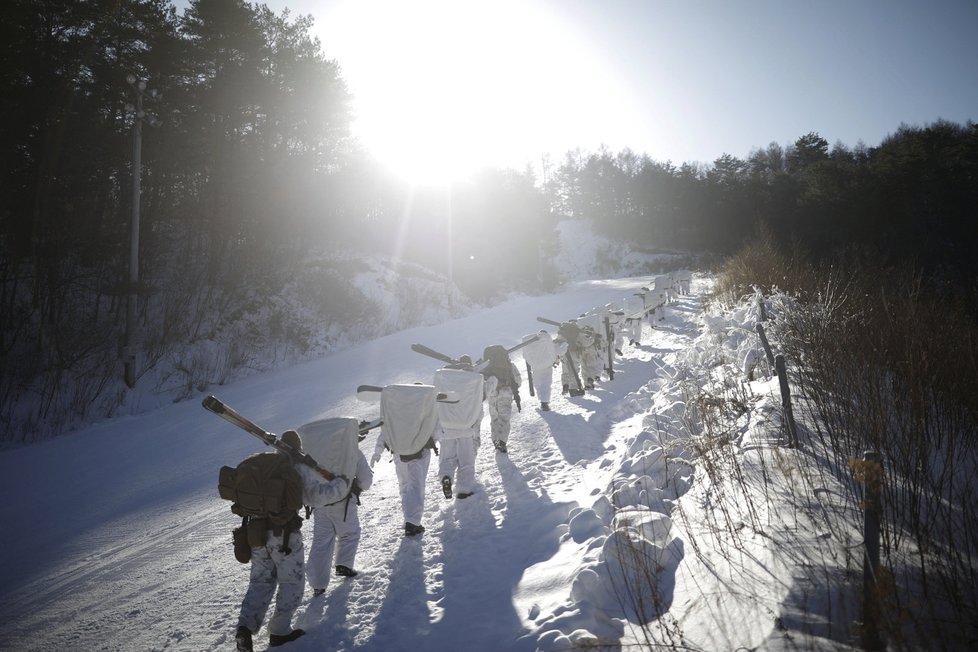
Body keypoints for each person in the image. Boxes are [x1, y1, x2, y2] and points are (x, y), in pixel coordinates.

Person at [235, 430, 347, 652]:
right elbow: (318, 496)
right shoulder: (296, 470)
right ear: (298, 448)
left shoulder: (265, 467)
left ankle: (245, 629)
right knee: (291, 582)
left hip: (256, 535)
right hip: (284, 538)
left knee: (259, 583)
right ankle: (279, 631)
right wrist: (342, 484)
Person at [299, 421, 374, 596]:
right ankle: (344, 564)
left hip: (320, 504)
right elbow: (366, 481)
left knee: (321, 542)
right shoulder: (354, 452)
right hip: (344, 503)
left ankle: (318, 583)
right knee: (349, 533)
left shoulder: (314, 454)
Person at [371, 384, 439, 536]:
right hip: (420, 454)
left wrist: (378, 452)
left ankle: (408, 517)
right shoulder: (427, 409)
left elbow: (385, 431)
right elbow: (436, 428)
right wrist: (432, 442)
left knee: (405, 486)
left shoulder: (397, 412)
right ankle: (413, 522)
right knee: (416, 487)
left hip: (399, 454)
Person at [433, 358, 484, 499]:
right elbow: (478, 407)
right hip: (465, 428)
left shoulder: (445, 380)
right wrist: (473, 425)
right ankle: (463, 489)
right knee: (466, 461)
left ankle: (446, 477)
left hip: (446, 428)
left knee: (447, 459)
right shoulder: (471, 382)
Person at [481, 344, 523, 453]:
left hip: (493, 394)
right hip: (506, 393)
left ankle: (495, 441)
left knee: (494, 418)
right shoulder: (509, 365)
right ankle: (502, 442)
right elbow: (518, 381)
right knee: (504, 419)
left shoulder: (486, 366)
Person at [521, 330, 564, 411]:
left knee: (538, 384)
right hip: (547, 366)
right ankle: (544, 403)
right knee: (546, 384)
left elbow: (524, 355)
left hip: (535, 367)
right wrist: (565, 345)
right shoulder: (547, 341)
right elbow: (556, 351)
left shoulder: (529, 343)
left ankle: (542, 399)